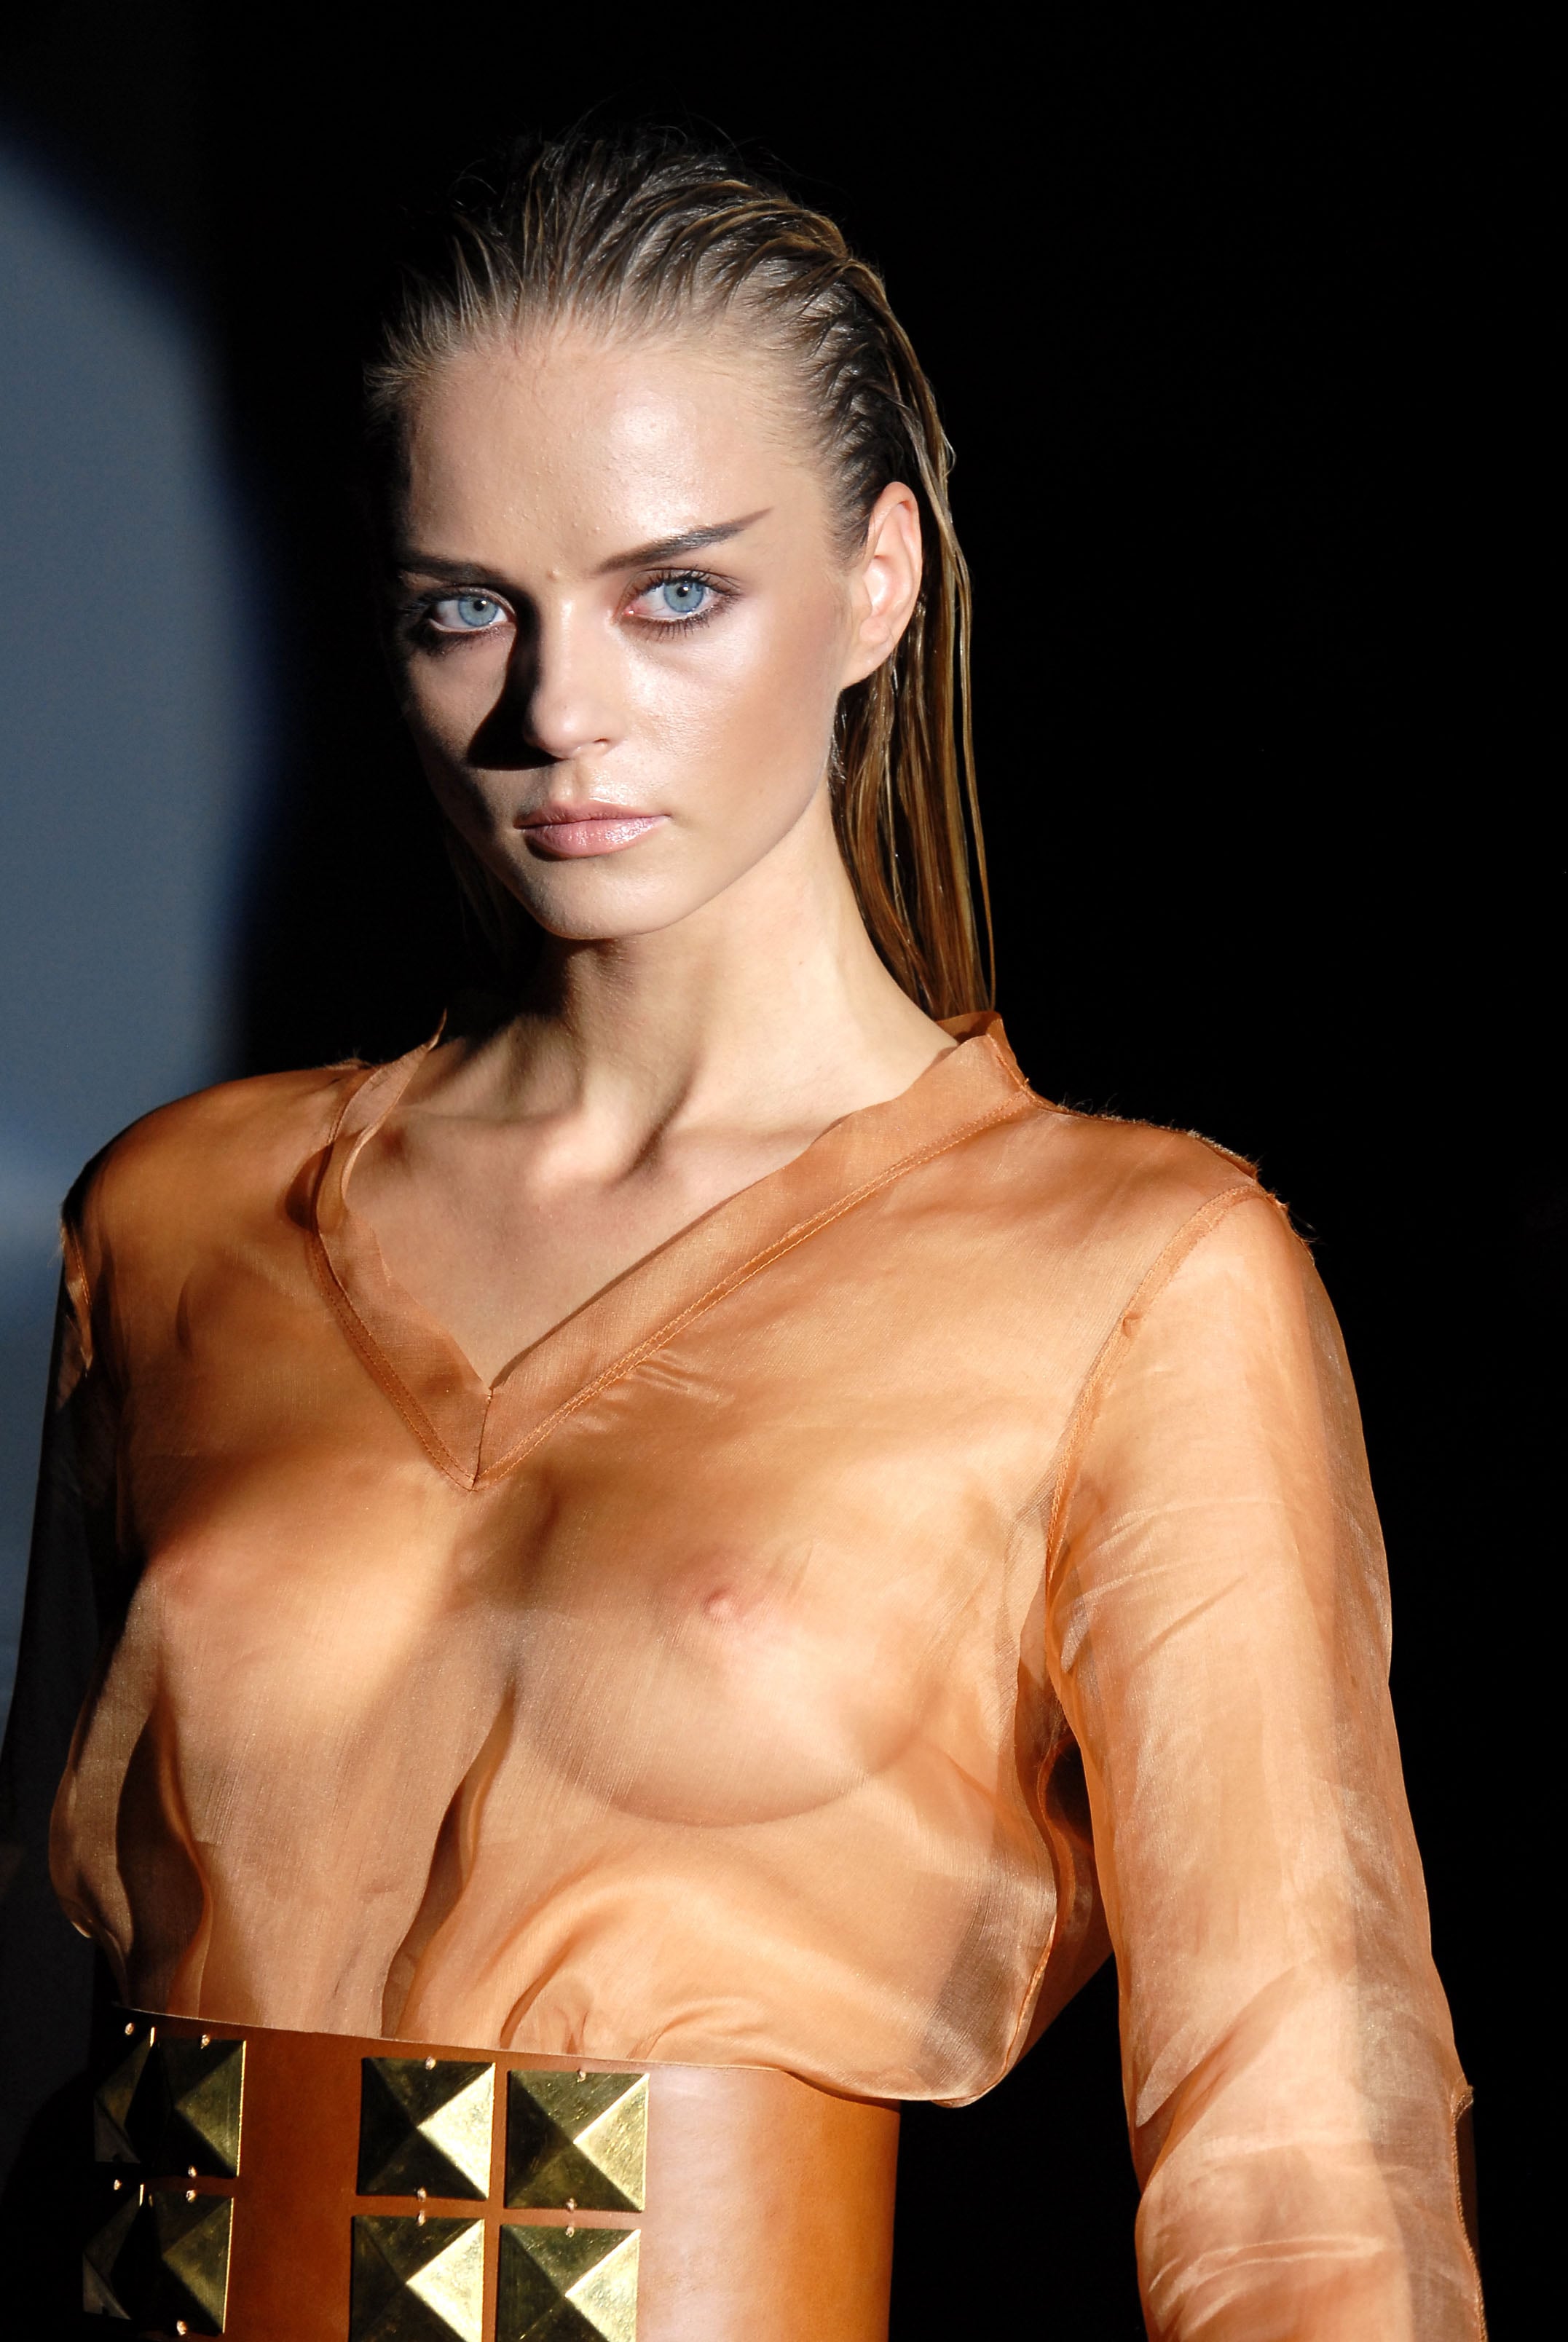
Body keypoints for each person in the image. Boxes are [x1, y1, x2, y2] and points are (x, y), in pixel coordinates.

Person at [0, 127, 1484, 2339]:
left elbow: (1301, 2186)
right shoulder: (182, 1214)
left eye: (672, 594)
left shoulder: (1138, 1275)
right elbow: (30, 2025)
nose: (556, 714)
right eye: (463, 608)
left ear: (878, 580)